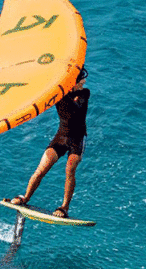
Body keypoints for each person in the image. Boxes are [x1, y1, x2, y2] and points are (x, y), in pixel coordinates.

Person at [10, 67, 90, 218]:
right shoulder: (59, 94)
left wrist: (60, 92)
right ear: (73, 82)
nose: (84, 82)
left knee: (70, 169)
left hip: (77, 139)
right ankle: (25, 197)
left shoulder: (84, 94)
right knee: (42, 168)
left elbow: (75, 108)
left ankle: (64, 207)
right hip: (61, 137)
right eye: (81, 80)